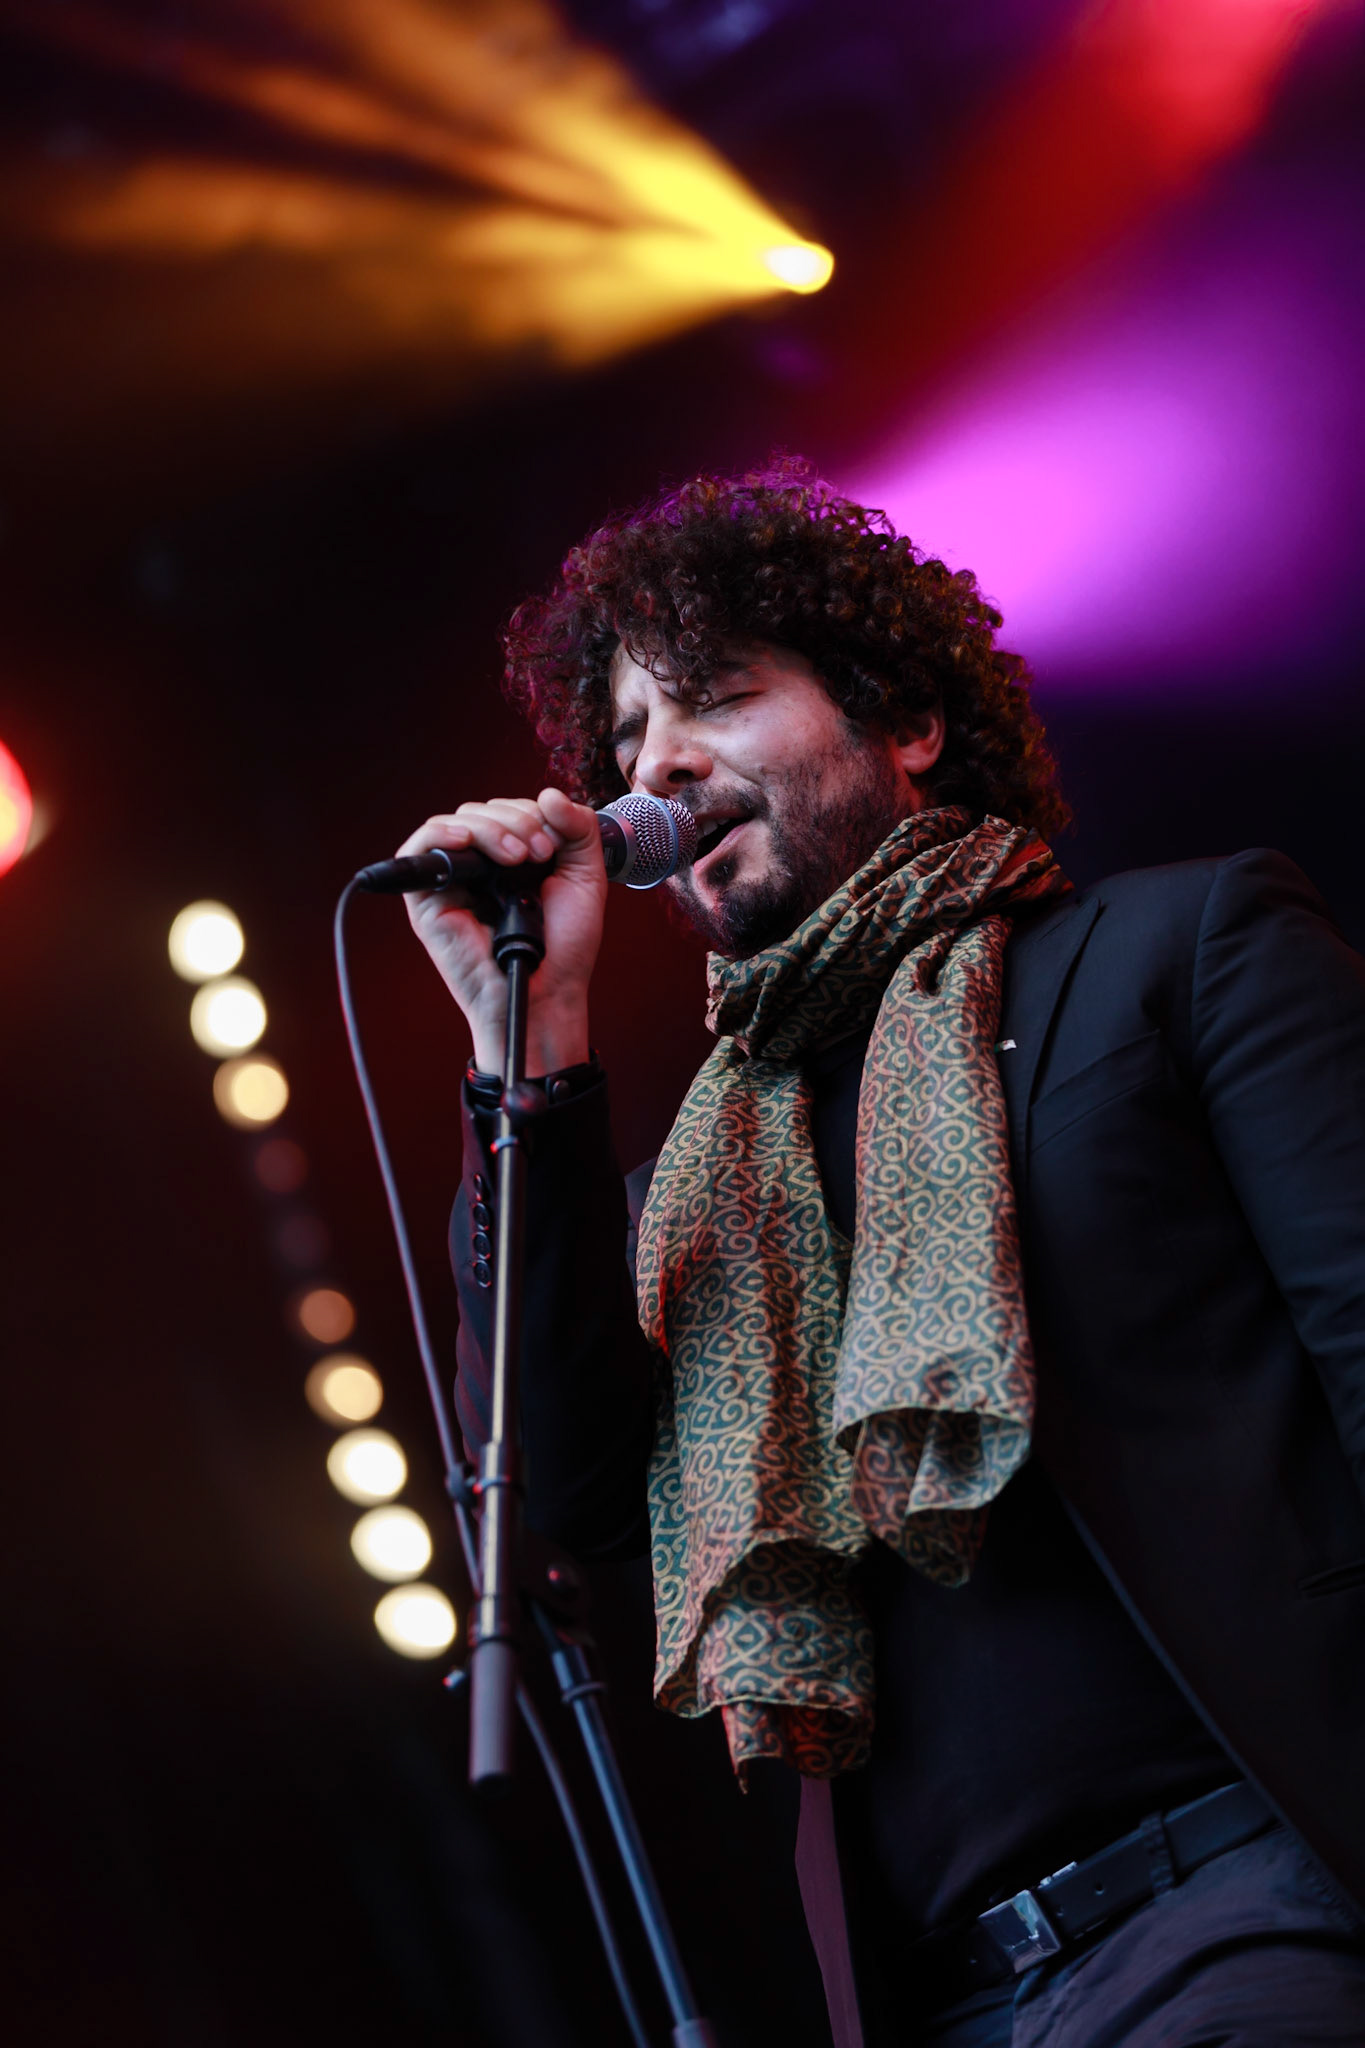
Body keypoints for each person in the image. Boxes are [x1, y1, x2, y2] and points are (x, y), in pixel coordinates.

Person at [399, 463, 1365, 2047]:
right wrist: (526, 1035)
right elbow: (561, 1503)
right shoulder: (691, 1192)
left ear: (903, 724)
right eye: (628, 738)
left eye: (712, 699)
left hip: (1260, 1887)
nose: (658, 765)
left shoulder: (1165, 959)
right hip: (947, 1995)